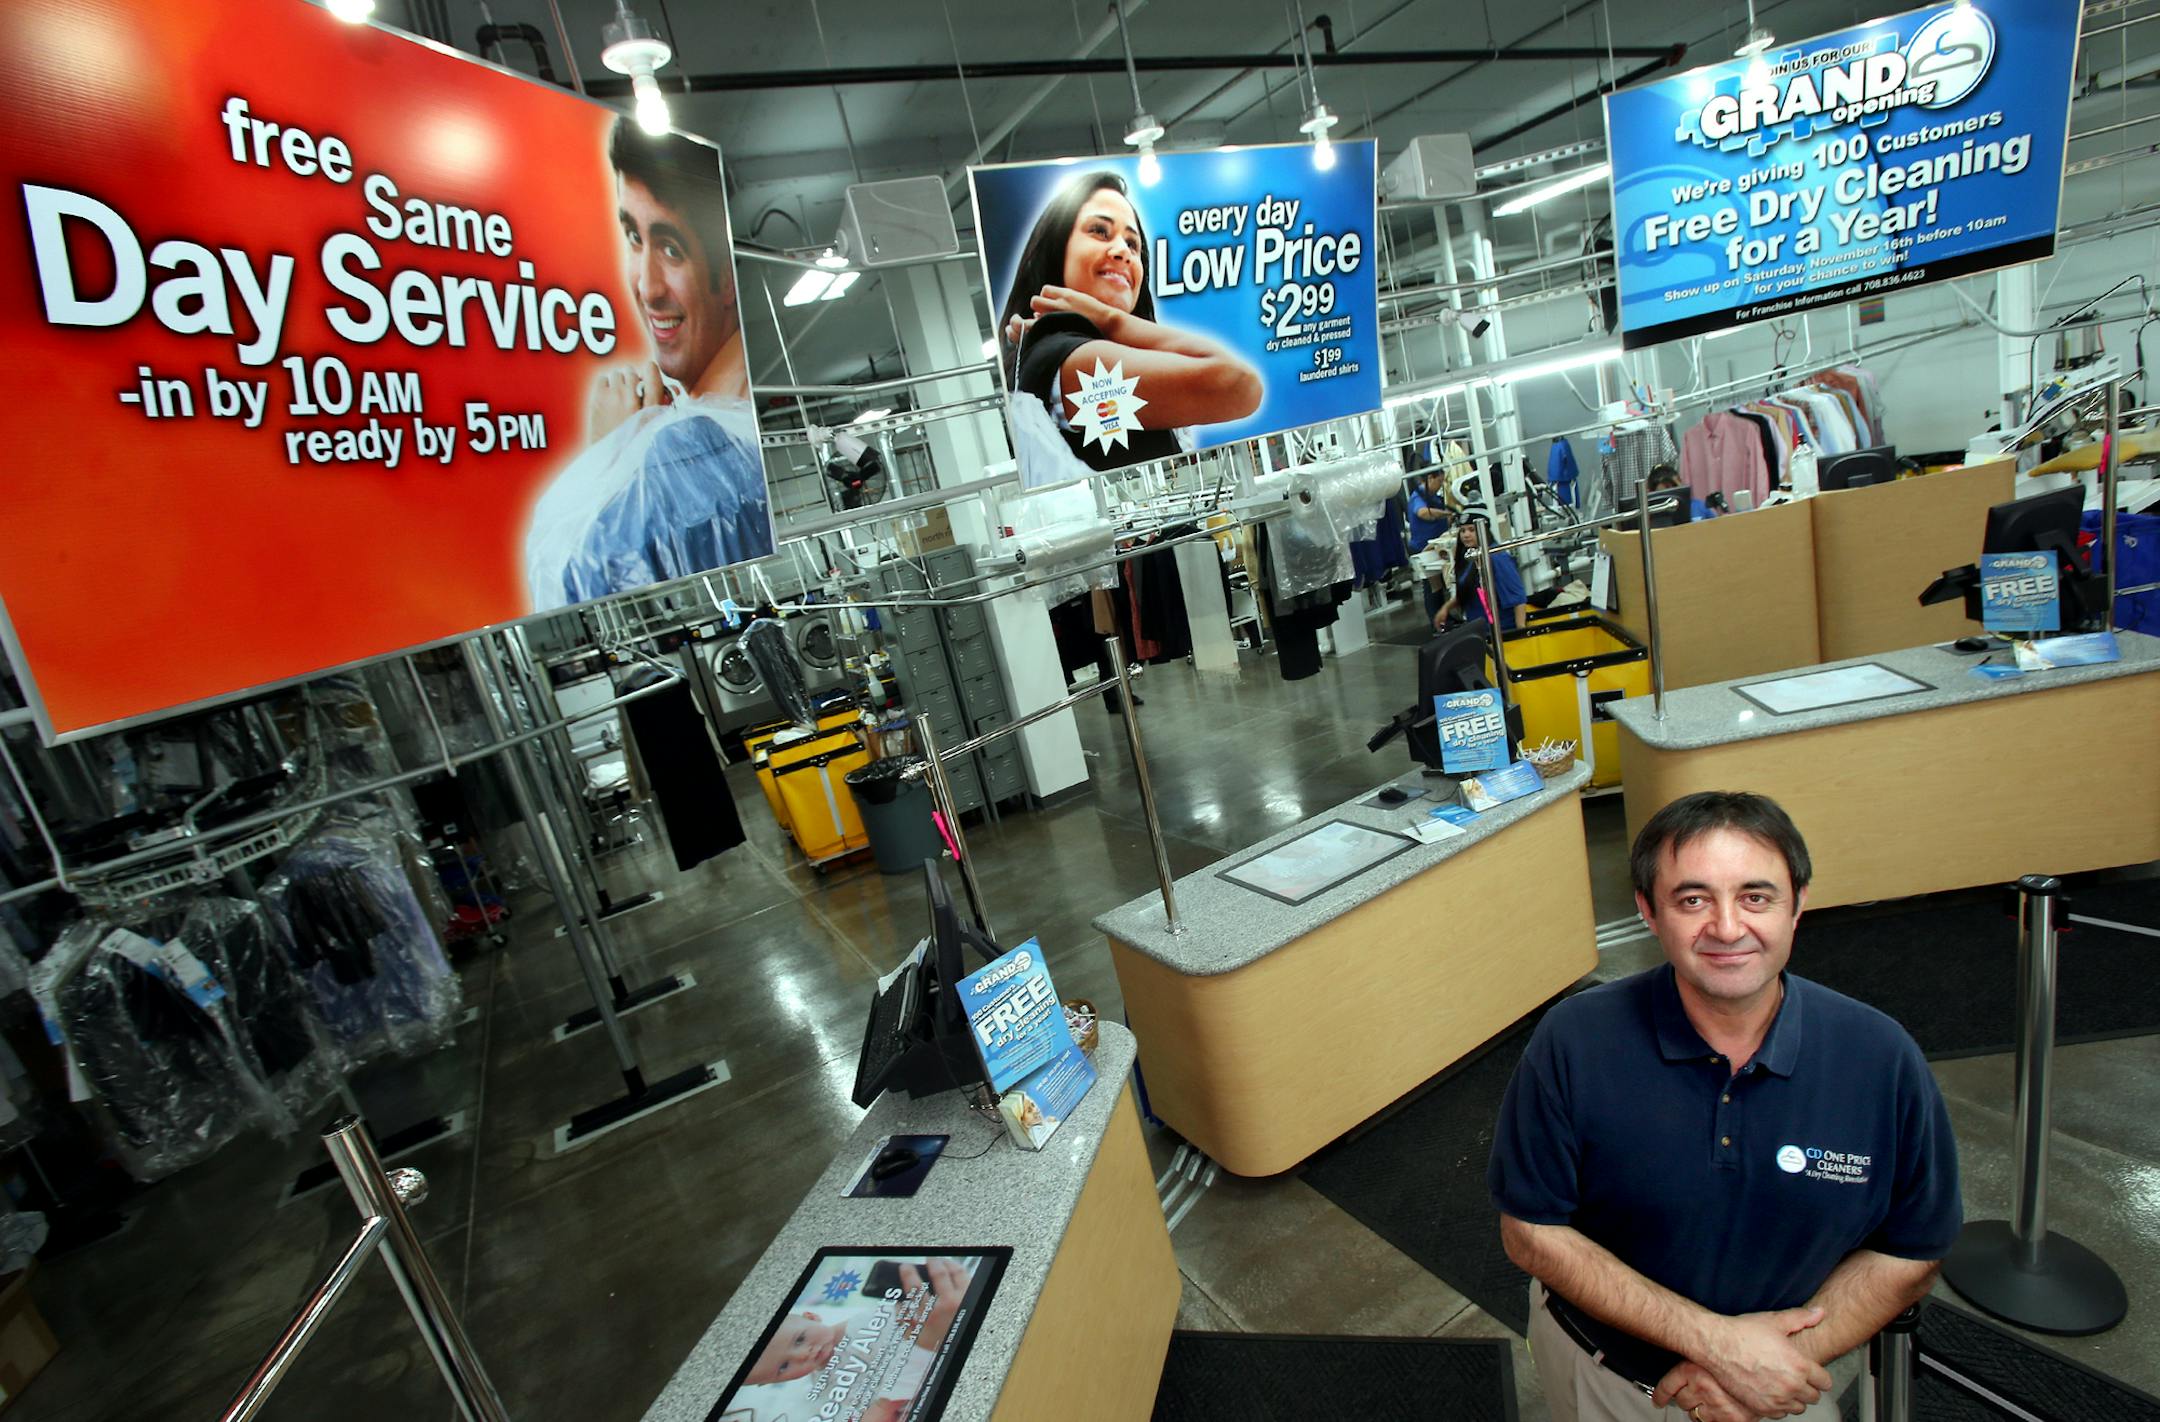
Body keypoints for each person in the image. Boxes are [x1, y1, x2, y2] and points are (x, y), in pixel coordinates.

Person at [1489, 792, 1960, 1422]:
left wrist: (1759, 1367)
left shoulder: (1880, 1054)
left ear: (1799, 905)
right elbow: (1531, 1231)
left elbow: (1912, 1248)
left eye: (1756, 896)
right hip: (1606, 1381)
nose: (1728, 927)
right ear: (1648, 912)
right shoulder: (1574, 1039)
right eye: (1692, 899)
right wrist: (1716, 1344)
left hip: (1782, 1386)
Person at [523, 119, 770, 612]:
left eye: (672, 249)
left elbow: (583, 593)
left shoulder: (675, 451)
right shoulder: (738, 431)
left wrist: (609, 455)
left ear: (726, 278)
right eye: (635, 238)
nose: (647, 287)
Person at [997, 171, 1261, 483]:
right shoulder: (1071, 362)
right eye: (1099, 231)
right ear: (1058, 249)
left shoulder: (1079, 355)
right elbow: (1239, 386)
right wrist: (1111, 319)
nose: (1123, 251)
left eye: (1133, 244)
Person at [736, 1259, 974, 1422]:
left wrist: (884, 1406)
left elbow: (924, 1350)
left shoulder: (868, 1322)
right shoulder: (822, 1387)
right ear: (771, 1382)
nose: (803, 1355)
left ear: (811, 1316)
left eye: (799, 1339)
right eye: (783, 1367)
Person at [1435, 516, 1524, 631]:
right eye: (1462, 531)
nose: (1466, 535)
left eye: (1472, 530)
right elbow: (1470, 590)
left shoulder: (1497, 558)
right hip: (1480, 628)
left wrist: (1521, 632)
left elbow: (1518, 598)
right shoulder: (1471, 557)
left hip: (1501, 630)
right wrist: (1446, 608)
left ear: (1484, 531)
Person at [1408, 467, 1453, 621]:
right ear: (1430, 478)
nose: (1441, 485)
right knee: (1433, 587)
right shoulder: (1418, 497)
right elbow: (1422, 513)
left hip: (1434, 547)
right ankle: (1437, 622)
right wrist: (1445, 514)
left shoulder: (1433, 497)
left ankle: (1444, 618)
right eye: (1439, 481)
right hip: (1423, 548)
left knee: (1439, 586)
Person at [1650, 463, 1715, 522]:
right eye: (1667, 487)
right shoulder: (1649, 514)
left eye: (1676, 484)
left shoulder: (1699, 506)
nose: (1672, 490)